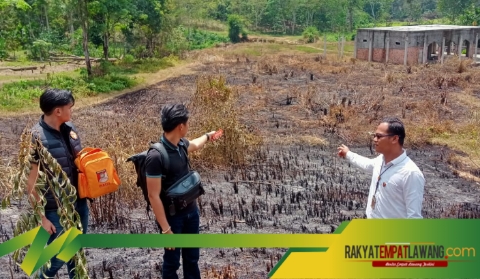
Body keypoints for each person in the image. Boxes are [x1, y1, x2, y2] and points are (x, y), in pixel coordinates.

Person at [145, 103, 222, 279]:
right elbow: (153, 195)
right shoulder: (156, 156)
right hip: (172, 219)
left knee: (192, 259)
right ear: (181, 126)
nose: (188, 127)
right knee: (172, 262)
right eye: (187, 124)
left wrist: (208, 136)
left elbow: (194, 144)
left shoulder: (180, 145)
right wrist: (166, 230)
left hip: (191, 213)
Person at [26, 89, 89, 278]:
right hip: (55, 210)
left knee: (76, 256)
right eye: (69, 107)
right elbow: (31, 182)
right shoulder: (36, 138)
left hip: (79, 204)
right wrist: (41, 218)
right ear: (57, 111)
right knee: (57, 260)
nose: (72, 111)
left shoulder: (70, 129)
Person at [337, 117, 425, 219]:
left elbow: (414, 217)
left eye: (379, 136)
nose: (374, 140)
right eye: (374, 136)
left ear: (394, 139)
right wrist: (348, 153)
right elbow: (367, 164)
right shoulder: (381, 160)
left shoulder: (410, 173)